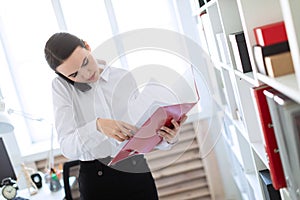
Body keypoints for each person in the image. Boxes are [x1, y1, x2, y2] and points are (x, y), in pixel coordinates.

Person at [44, 32, 187, 200]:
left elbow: (141, 134)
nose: (85, 74)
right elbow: (67, 147)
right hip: (97, 181)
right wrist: (98, 126)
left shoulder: (123, 77)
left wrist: (167, 138)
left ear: (87, 46)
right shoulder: (62, 88)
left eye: (85, 62)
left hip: (136, 172)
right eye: (74, 75)